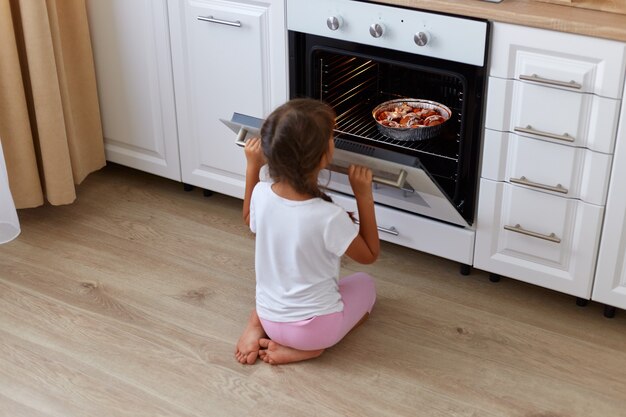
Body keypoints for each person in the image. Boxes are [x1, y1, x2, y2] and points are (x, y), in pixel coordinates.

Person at [234, 98, 380, 365]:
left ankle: (255, 324)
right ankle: (307, 350)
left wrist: (252, 166)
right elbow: (369, 254)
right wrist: (363, 195)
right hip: (313, 332)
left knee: (285, 285)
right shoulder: (328, 216)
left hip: (269, 315)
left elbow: (248, 218)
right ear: (324, 156)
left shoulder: (262, 193)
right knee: (366, 285)